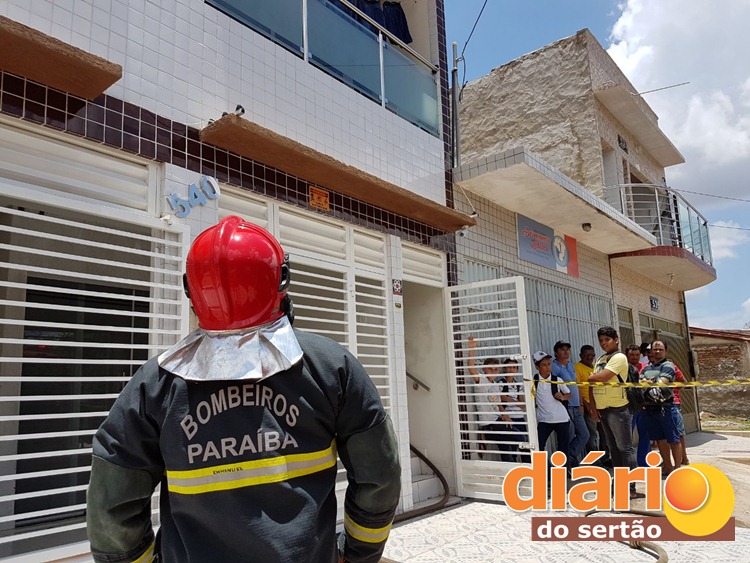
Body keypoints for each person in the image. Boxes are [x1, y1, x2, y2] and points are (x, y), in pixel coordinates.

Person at [86, 216, 401, 563]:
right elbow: (380, 477)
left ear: (192, 290)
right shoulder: (332, 367)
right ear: (281, 279)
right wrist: (356, 555)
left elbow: (111, 510)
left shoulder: (154, 384)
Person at [588, 326, 640, 499]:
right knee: (614, 449)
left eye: (607, 340)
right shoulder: (601, 359)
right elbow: (592, 384)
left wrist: (591, 377)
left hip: (618, 409)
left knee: (625, 448)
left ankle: (630, 487)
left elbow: (601, 377)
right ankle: (619, 484)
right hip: (603, 409)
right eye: (601, 340)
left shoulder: (619, 357)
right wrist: (593, 407)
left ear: (616, 340)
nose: (604, 343)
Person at [640, 340, 681, 476]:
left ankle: (677, 469)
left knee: (673, 439)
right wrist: (650, 382)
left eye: (660, 349)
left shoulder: (668, 365)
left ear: (666, 351)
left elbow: (662, 383)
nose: (657, 351)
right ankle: (668, 466)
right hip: (650, 408)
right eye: (655, 349)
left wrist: (648, 382)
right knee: (659, 439)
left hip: (666, 408)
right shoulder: (646, 368)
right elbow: (640, 383)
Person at [467, 337, 508, 459]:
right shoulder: (482, 380)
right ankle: (485, 435)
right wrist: (472, 348)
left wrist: (505, 415)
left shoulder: (496, 385)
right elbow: (471, 368)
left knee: (508, 447)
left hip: (497, 419)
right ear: (484, 369)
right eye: (490, 368)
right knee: (520, 437)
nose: (494, 371)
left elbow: (498, 404)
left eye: (496, 369)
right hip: (488, 422)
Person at [552, 340, 589, 466]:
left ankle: (569, 456)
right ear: (556, 353)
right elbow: (553, 386)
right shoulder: (554, 367)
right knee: (567, 436)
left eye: (567, 349)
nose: (566, 352)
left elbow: (576, 385)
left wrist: (581, 404)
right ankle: (564, 464)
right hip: (565, 406)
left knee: (584, 434)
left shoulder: (570, 365)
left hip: (576, 406)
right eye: (562, 349)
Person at [531, 351, 571, 462]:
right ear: (537, 367)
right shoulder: (534, 381)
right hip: (544, 419)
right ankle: (541, 469)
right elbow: (531, 397)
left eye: (549, 364)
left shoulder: (557, 380)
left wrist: (562, 397)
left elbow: (569, 394)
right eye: (544, 365)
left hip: (561, 418)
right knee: (539, 446)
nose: (548, 367)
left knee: (563, 448)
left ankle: (563, 469)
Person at [575, 345, 604, 458]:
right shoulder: (577, 367)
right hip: (588, 406)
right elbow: (577, 388)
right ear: (581, 356)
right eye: (586, 355)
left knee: (604, 434)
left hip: (599, 405)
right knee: (592, 435)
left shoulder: (595, 367)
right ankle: (595, 460)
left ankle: (605, 457)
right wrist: (587, 406)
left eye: (592, 355)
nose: (589, 357)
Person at [498, 357, 528, 462]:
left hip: (520, 418)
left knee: (525, 446)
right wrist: (515, 401)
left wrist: (510, 399)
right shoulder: (501, 383)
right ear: (504, 368)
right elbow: (500, 398)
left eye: (514, 367)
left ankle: (527, 467)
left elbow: (523, 404)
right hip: (509, 418)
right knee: (511, 447)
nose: (511, 369)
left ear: (517, 370)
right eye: (509, 367)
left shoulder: (518, 385)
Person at [626, 344, 650, 467]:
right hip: (628, 407)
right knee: (627, 437)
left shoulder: (646, 368)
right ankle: (628, 463)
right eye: (632, 355)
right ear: (627, 355)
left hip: (644, 406)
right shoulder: (623, 369)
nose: (635, 357)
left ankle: (644, 463)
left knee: (645, 435)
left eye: (637, 355)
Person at [672, 364, 690, 466]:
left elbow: (684, 382)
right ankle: (668, 462)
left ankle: (684, 459)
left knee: (678, 432)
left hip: (674, 403)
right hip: (658, 404)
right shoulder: (649, 367)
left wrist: (674, 390)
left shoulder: (672, 366)